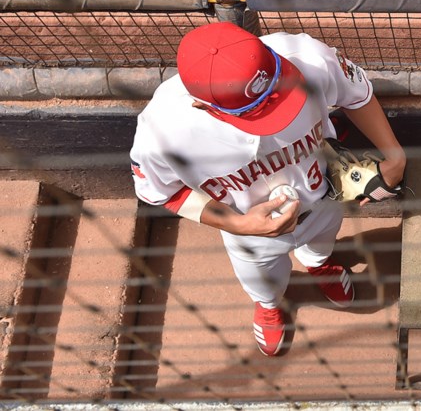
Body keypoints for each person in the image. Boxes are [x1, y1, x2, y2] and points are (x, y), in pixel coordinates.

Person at [130, 22, 406, 357]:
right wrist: (239, 225)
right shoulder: (162, 133)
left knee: (322, 244)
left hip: (323, 197)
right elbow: (161, 192)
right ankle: (270, 306)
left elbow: (357, 94)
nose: (276, 109)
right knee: (263, 282)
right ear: (201, 104)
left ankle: (320, 265)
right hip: (250, 232)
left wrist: (394, 156)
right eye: (254, 109)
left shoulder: (307, 57)